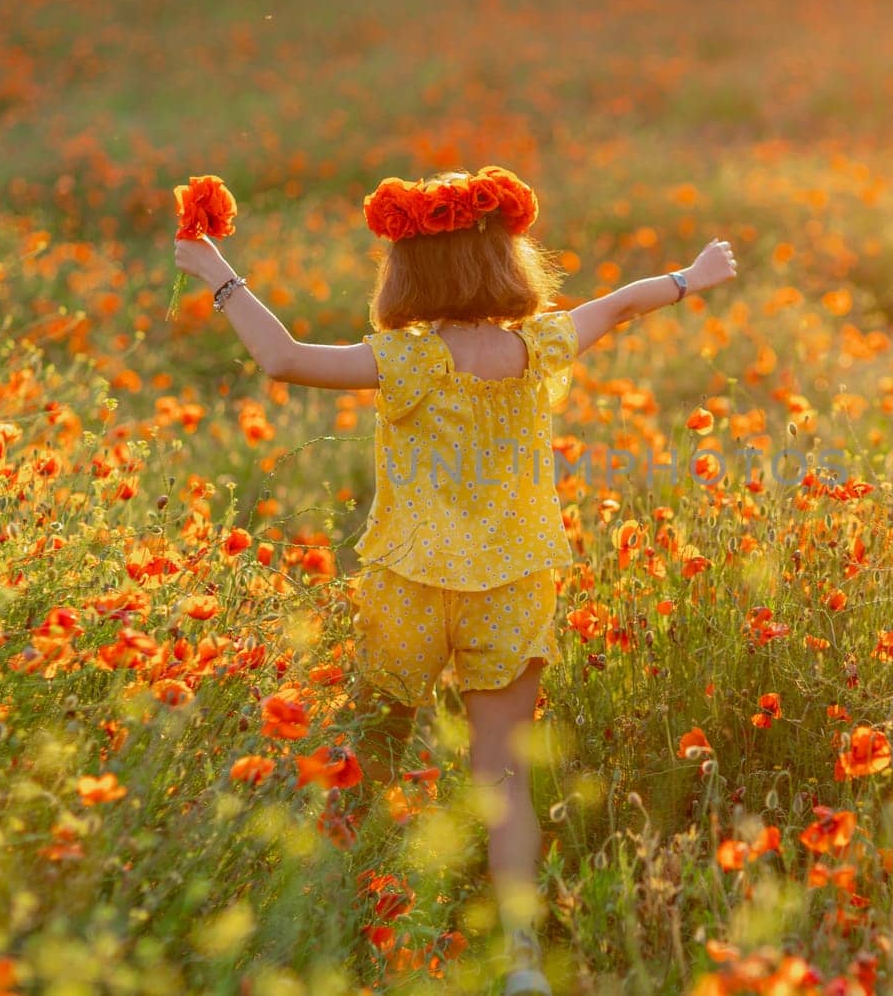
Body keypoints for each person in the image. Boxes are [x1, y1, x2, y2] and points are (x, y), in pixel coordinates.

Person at [174, 165, 738, 995]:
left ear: (410, 272)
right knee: (504, 774)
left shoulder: (404, 359)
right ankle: (519, 963)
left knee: (366, 754)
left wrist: (213, 270)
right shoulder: (537, 343)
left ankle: (318, 918)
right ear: (506, 261)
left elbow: (283, 358)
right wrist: (694, 276)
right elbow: (620, 302)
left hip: (410, 580)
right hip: (512, 581)